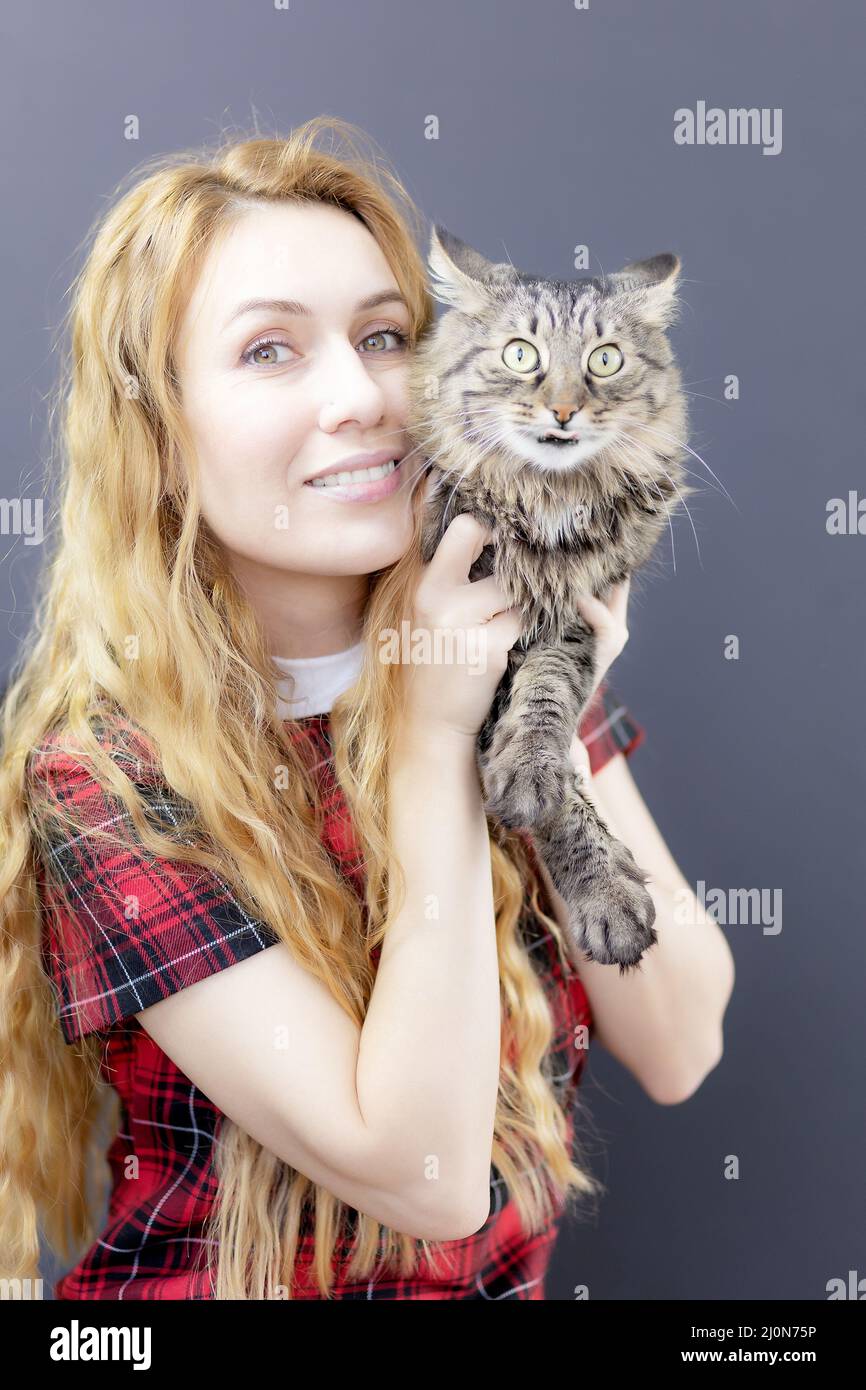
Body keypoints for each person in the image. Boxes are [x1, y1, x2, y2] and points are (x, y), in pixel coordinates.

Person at [0, 116, 734, 1301]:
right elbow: (427, 1177)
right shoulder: (109, 776)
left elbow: (681, 1039)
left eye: (385, 335)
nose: (360, 398)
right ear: (162, 435)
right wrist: (439, 740)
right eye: (269, 353)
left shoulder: (491, 631)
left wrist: (541, 706)